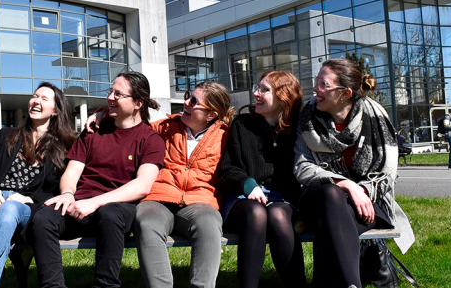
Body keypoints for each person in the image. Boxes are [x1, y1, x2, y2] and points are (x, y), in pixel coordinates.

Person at [86, 82, 234, 288]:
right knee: (146, 223)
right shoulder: (164, 127)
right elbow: (131, 122)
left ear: (211, 115)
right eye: (187, 95)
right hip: (159, 198)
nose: (185, 102)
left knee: (209, 223)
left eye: (193, 101)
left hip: (200, 201)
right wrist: (102, 113)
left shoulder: (225, 136)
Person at [31, 71, 165, 288]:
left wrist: (95, 202)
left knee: (109, 213)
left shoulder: (150, 140)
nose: (110, 97)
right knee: (43, 218)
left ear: (138, 103)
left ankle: (106, 285)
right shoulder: (93, 130)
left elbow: (142, 185)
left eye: (118, 94)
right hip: (80, 202)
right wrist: (67, 194)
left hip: (118, 206)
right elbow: (72, 172)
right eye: (110, 91)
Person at [294, 58, 415, 288]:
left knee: (332, 222)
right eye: (316, 82)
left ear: (345, 93)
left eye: (323, 84)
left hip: (369, 200)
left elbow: (386, 174)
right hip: (317, 198)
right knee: (332, 195)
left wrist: (363, 190)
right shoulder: (307, 117)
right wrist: (348, 185)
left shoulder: (376, 117)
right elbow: (302, 167)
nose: (315, 89)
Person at [0, 83, 76, 288]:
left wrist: (31, 199)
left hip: (24, 209)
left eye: (44, 99)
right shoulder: (7, 136)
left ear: (56, 111)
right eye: (34, 96)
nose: (36, 101)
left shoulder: (64, 147)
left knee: (11, 209)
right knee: (0, 236)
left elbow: (56, 190)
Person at [217, 71, 305, 288]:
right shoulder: (242, 124)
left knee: (277, 214)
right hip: (242, 197)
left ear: (284, 96)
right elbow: (228, 168)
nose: (256, 93)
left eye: (264, 90)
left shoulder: (297, 130)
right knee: (256, 212)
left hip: (281, 198)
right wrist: (248, 184)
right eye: (257, 88)